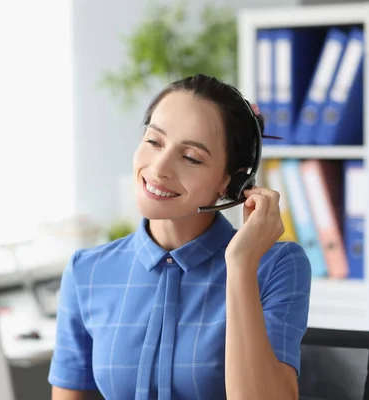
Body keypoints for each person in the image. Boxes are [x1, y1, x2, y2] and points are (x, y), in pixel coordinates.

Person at [48, 74, 312, 400]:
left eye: (190, 158)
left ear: (230, 183)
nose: (159, 168)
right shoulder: (87, 271)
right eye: (154, 141)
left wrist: (241, 265)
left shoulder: (274, 266)